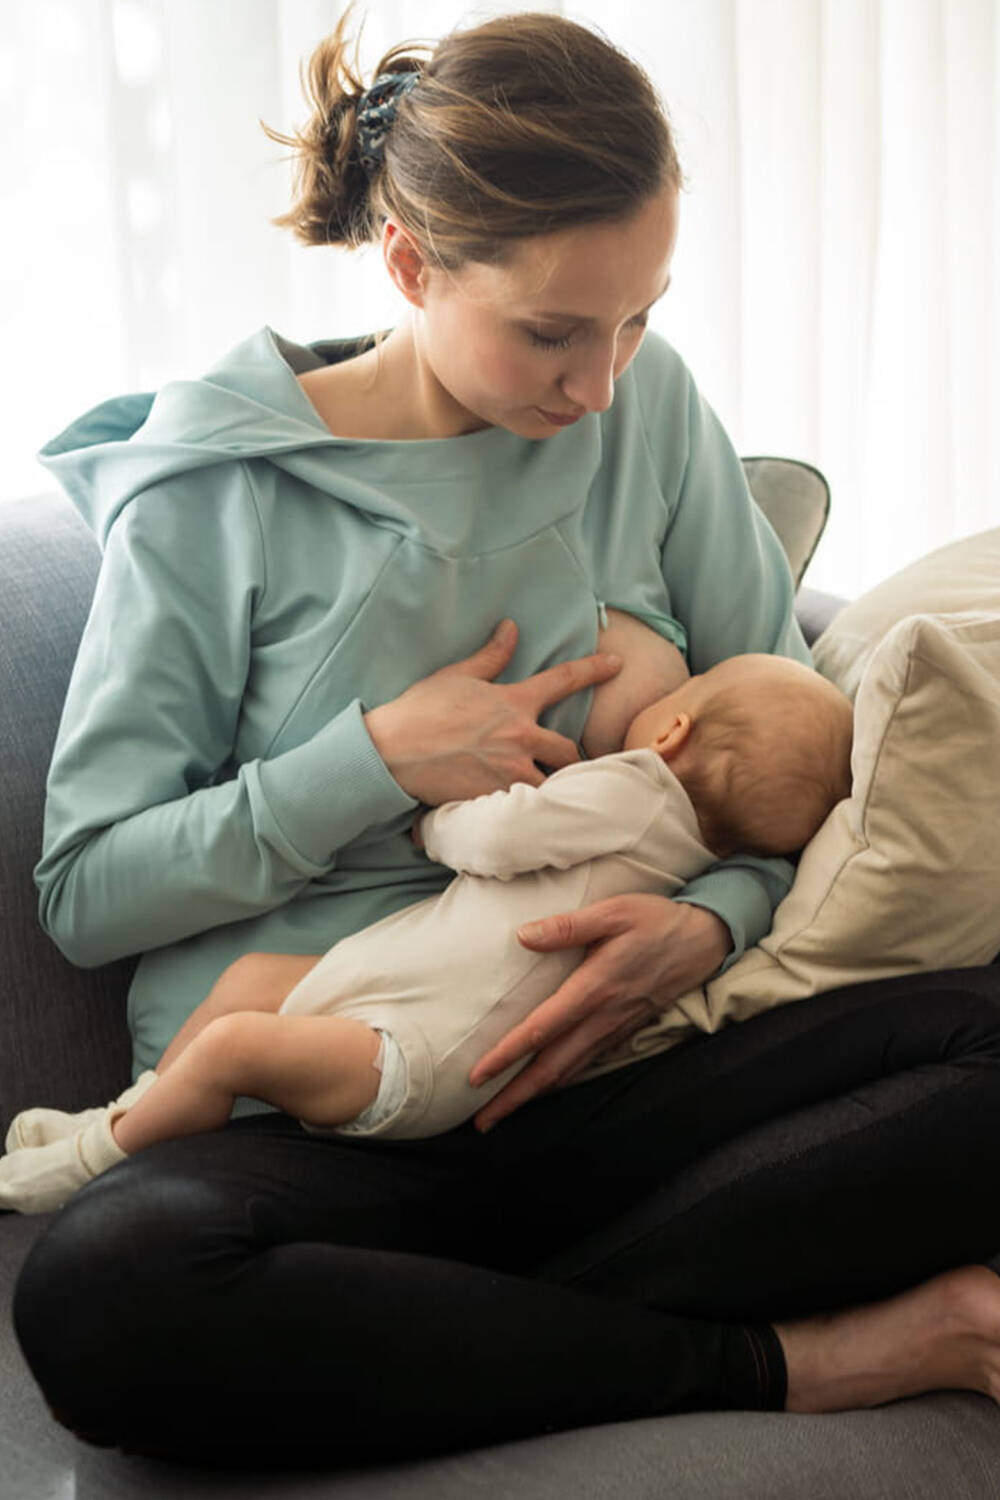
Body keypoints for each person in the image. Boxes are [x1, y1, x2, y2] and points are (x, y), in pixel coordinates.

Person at [11, 4, 1000, 1469]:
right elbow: (89, 891)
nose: (600, 383)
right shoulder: (213, 498)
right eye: (551, 331)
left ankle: (431, 1336)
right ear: (412, 265)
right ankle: (790, 1355)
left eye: (638, 317)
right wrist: (375, 760)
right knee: (111, 1294)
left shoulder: (646, 406)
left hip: (618, 1066)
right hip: (321, 1110)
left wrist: (713, 923)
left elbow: (785, 732)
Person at [0, 651, 854, 1209]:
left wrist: (434, 824)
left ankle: (94, 1164)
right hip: (418, 1015)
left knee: (232, 1045)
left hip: (414, 1048)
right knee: (249, 983)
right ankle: (125, 1114)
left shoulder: (632, 787)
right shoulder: (692, 854)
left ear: (671, 727)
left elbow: (508, 834)